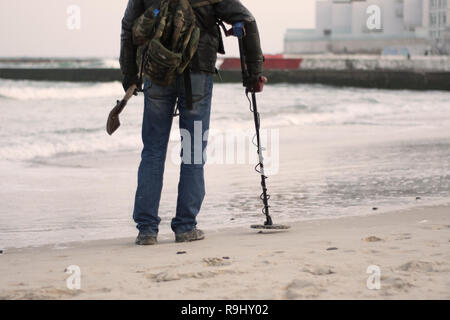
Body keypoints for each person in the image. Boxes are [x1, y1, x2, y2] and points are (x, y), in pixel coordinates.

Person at [120, 0, 265, 245]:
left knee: (153, 151)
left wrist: (129, 75)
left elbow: (128, 27)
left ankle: (147, 231)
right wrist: (253, 73)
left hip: (156, 70)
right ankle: (185, 227)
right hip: (197, 72)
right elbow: (247, 20)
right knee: (194, 150)